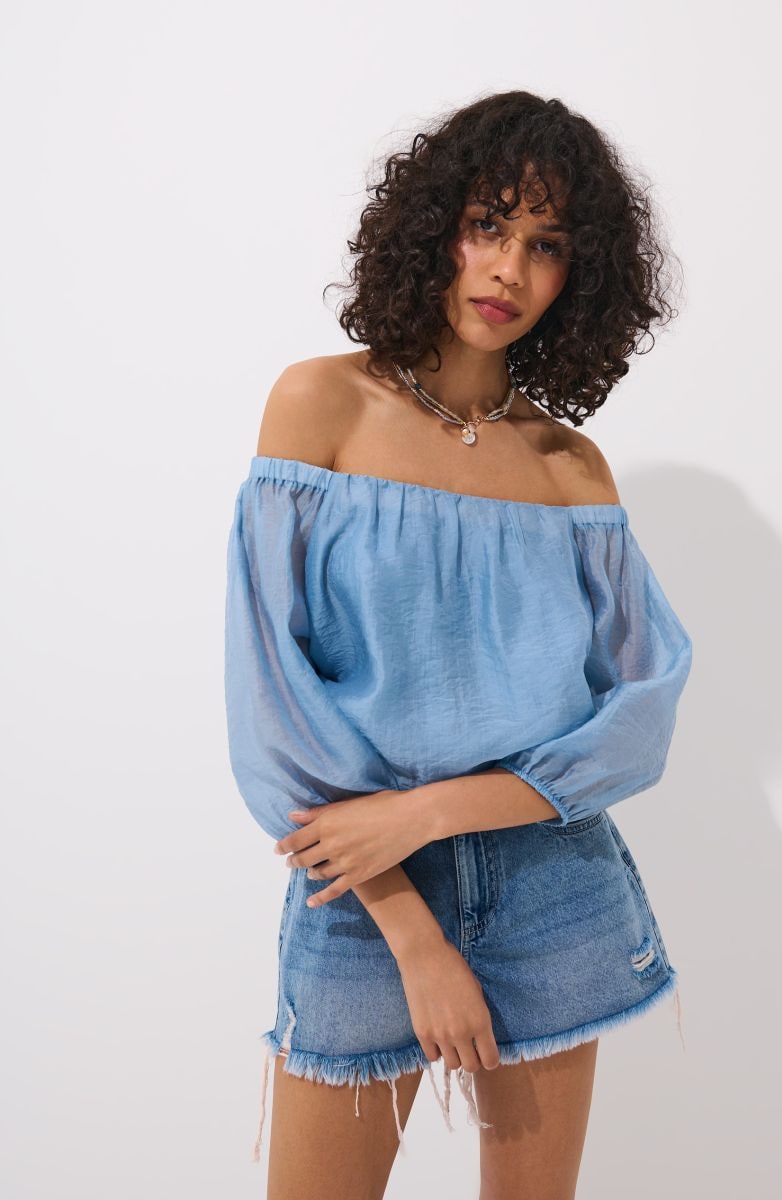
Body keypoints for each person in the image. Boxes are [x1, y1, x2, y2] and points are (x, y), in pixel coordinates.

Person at [224, 90, 693, 1200]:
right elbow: (275, 705)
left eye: (547, 246)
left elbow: (642, 714)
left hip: (554, 884)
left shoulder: (570, 470)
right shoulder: (321, 408)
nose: (509, 270)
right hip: (361, 891)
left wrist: (432, 809)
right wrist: (416, 935)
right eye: (488, 224)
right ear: (435, 225)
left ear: (581, 277)